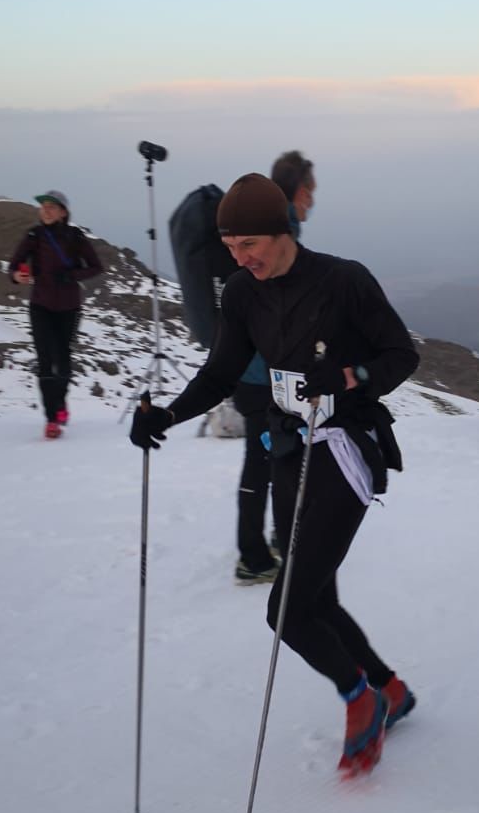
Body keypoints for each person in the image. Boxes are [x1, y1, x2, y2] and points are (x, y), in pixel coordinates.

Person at [130, 173, 420, 778]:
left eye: (248, 245)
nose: (240, 259)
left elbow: (400, 355)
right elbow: (221, 373)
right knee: (317, 599)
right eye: (230, 247)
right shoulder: (240, 292)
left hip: (347, 450)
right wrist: (169, 415)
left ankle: (357, 698)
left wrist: (344, 379)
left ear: (282, 232)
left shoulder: (343, 280)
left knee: (285, 610)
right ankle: (389, 689)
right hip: (289, 452)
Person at [229, 152, 318, 585]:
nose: (312, 202)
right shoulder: (282, 230)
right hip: (264, 376)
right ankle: (254, 557)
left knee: (273, 459)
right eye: (312, 193)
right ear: (300, 191)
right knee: (268, 461)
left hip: (248, 372)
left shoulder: (259, 223)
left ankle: (279, 542)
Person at [8, 191, 102, 438]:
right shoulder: (34, 235)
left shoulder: (75, 236)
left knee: (64, 360)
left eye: (51, 207)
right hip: (40, 305)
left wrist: (70, 276)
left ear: (63, 212)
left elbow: (95, 267)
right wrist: (18, 276)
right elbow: (14, 265)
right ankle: (51, 419)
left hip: (69, 306)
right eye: (42, 207)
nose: (45, 210)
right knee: (45, 362)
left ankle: (60, 403)